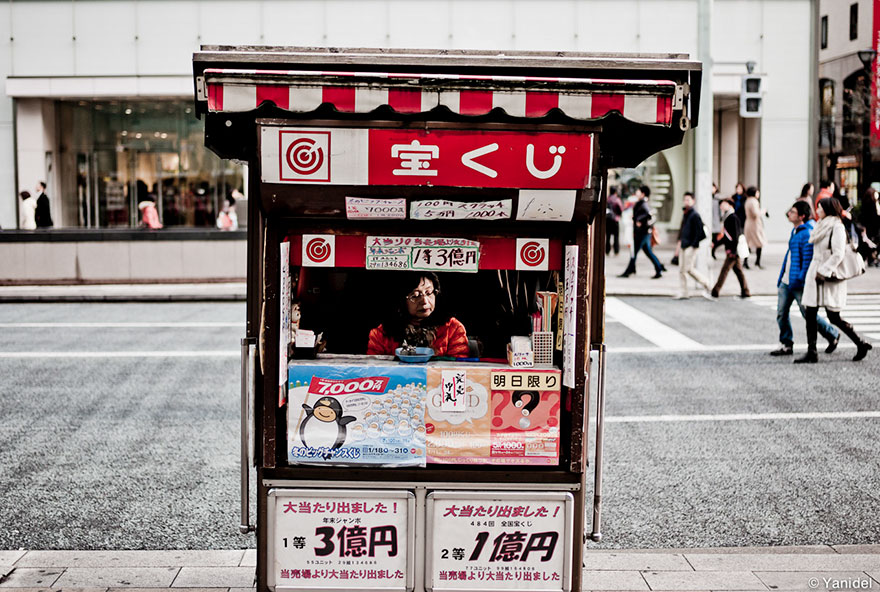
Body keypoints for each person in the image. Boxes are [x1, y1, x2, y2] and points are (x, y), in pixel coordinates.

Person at [796, 197, 873, 363]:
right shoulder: (820, 224)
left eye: (820, 207)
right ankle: (812, 351)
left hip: (827, 275)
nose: (817, 210)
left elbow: (839, 253)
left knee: (834, 316)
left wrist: (824, 271)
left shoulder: (836, 226)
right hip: (815, 271)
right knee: (810, 312)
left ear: (828, 208)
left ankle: (860, 343)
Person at [770, 201, 839, 356]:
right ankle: (787, 343)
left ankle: (832, 334)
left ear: (801, 216)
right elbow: (790, 257)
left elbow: (807, 261)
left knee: (808, 314)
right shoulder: (795, 231)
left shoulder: (807, 233)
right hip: (786, 281)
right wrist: (782, 276)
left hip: (798, 283)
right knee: (781, 313)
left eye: (793, 212)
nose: (789, 214)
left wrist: (799, 280)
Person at [367, 272, 469, 356]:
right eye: (415, 296)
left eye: (429, 293)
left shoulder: (452, 328)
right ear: (401, 300)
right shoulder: (381, 334)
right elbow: (374, 370)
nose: (425, 301)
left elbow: (459, 370)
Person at [618, 185, 665, 279]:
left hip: (642, 233)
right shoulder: (641, 203)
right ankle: (659, 268)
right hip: (643, 233)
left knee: (634, 252)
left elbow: (649, 216)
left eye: (638, 191)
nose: (636, 193)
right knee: (648, 252)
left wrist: (640, 221)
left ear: (643, 194)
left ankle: (629, 270)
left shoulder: (643, 204)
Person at [675, 192, 712, 299]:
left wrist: (694, 244)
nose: (686, 202)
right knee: (682, 270)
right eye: (685, 199)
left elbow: (699, 231)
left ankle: (707, 283)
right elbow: (682, 230)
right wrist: (679, 242)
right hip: (683, 244)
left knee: (688, 269)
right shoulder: (685, 213)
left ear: (693, 201)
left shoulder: (695, 215)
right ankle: (684, 292)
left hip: (690, 246)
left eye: (688, 200)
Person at [711, 198, 751, 298]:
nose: (721, 206)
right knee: (738, 271)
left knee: (724, 270)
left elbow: (736, 236)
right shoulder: (727, 217)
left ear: (730, 205)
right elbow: (726, 236)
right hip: (733, 250)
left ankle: (715, 291)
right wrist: (715, 244)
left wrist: (732, 250)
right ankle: (746, 291)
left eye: (723, 204)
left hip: (733, 251)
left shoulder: (733, 218)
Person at [743, 186, 767, 269]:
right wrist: (763, 211)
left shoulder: (748, 200)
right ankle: (757, 262)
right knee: (759, 242)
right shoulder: (753, 201)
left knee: (748, 243)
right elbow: (756, 214)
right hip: (754, 224)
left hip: (749, 223)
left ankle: (746, 262)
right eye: (757, 192)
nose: (758, 194)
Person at [605, 186, 623, 256]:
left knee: (608, 236)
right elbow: (621, 209)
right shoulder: (617, 200)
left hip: (608, 219)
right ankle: (616, 251)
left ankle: (607, 251)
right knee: (616, 236)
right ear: (615, 191)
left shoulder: (607, 199)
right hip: (615, 220)